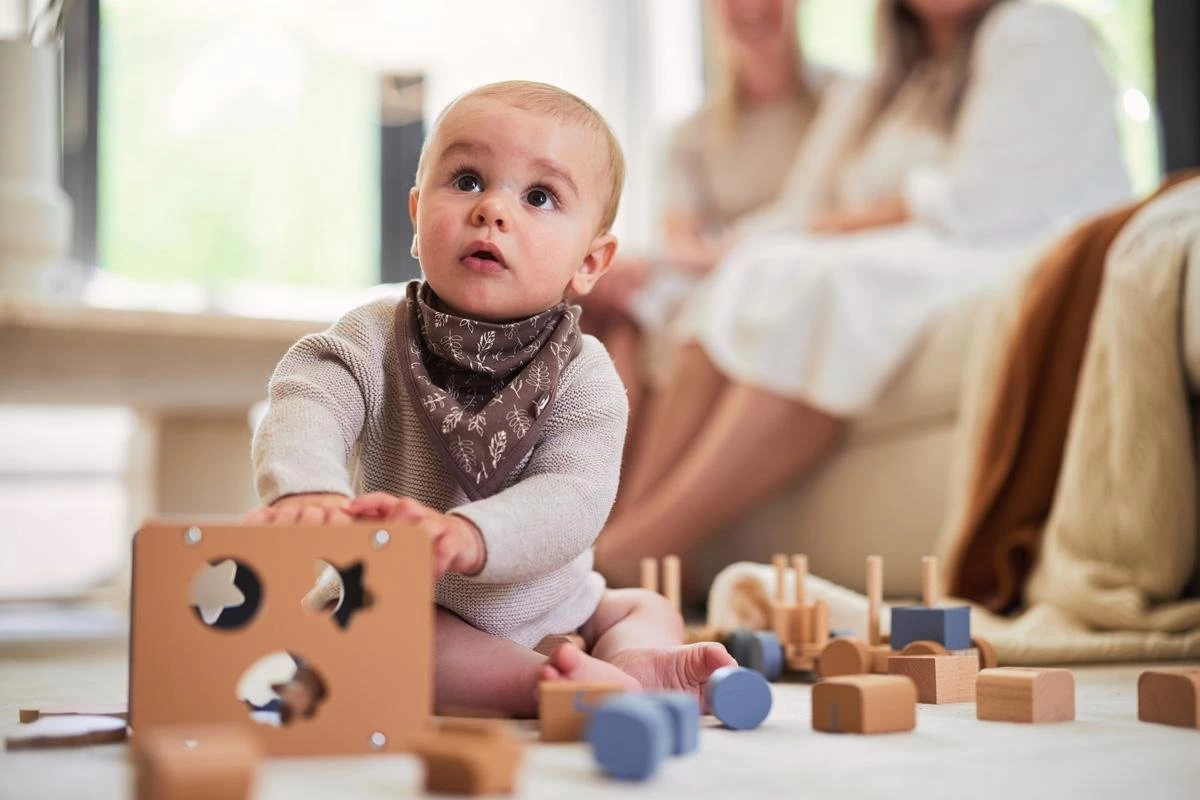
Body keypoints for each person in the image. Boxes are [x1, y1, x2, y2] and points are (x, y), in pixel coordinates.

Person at [596, 0, 1132, 590]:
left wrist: (820, 234)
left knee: (829, 285)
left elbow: (983, 203)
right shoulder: (892, 82)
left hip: (995, 244)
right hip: (916, 243)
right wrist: (704, 257)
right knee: (750, 275)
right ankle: (623, 529)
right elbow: (805, 210)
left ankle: (644, 547)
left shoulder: (1035, 33)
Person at [245, 81, 734, 718]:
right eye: (469, 180)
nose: (493, 210)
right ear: (418, 217)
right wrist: (307, 488)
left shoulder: (585, 374)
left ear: (591, 261)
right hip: (420, 605)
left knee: (644, 606)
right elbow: (309, 395)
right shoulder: (373, 337)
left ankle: (634, 660)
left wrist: (469, 535)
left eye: (539, 196)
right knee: (381, 639)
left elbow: (574, 495)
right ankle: (544, 687)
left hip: (562, 608)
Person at [580, 0, 826, 439]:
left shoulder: (844, 106)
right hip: (714, 267)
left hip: (791, 268)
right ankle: (594, 489)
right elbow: (680, 239)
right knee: (608, 310)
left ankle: (618, 499)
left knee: (641, 313)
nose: (750, 6)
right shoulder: (692, 133)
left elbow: (824, 220)